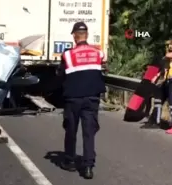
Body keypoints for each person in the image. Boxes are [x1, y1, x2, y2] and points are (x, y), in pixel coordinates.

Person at [56, 22, 106, 179]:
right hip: (92, 98)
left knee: (71, 129)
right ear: (87, 35)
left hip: (73, 98)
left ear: (74, 36)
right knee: (89, 132)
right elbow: (101, 67)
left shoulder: (68, 55)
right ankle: (88, 166)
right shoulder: (98, 53)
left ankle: (70, 160)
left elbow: (60, 75)